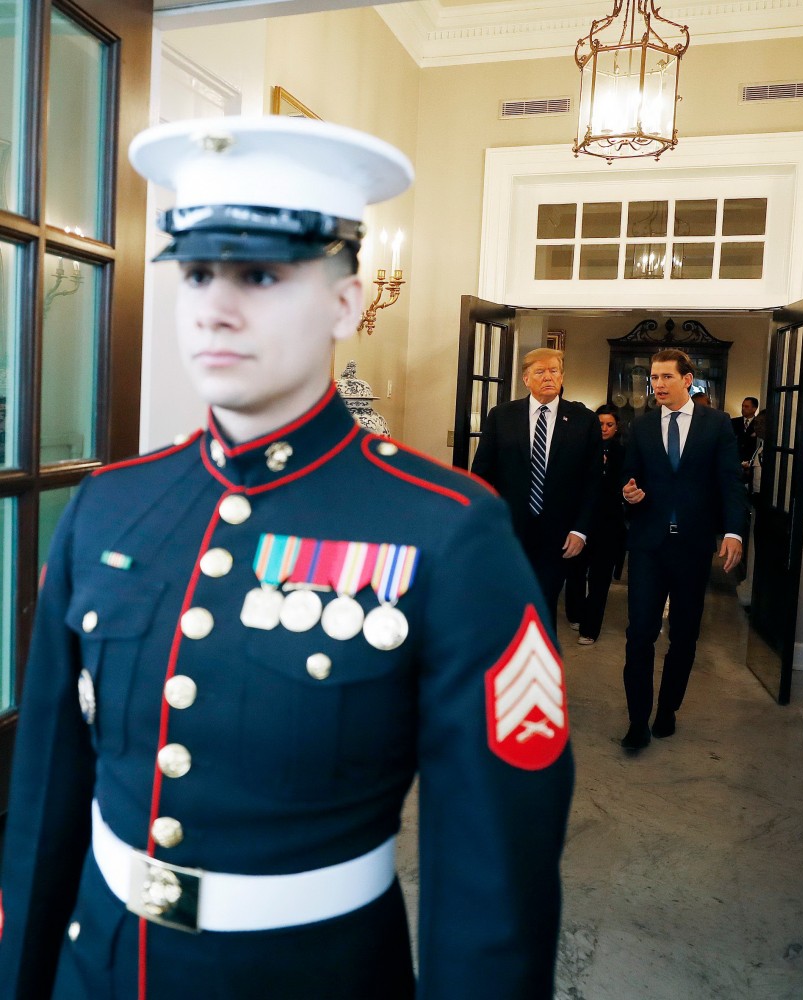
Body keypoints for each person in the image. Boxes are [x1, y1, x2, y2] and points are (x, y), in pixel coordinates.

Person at [0, 116, 574, 999]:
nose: (215, 308)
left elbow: (496, 883)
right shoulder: (110, 507)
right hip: (100, 963)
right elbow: (44, 795)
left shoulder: (448, 530)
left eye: (261, 275)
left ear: (346, 302)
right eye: (196, 273)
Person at [620, 348, 748, 751]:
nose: (657, 385)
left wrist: (734, 533)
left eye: (665, 378)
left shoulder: (717, 425)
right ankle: (637, 721)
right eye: (653, 378)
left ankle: (667, 710)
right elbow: (628, 478)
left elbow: (730, 482)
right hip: (647, 545)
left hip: (692, 547)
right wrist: (629, 493)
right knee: (639, 635)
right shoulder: (640, 427)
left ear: (687, 379)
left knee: (684, 636)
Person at [471, 348, 601, 624]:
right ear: (526, 379)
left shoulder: (583, 421)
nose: (548, 377)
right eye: (540, 372)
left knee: (543, 604)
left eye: (554, 371)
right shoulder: (502, 416)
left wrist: (581, 530)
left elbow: (592, 481)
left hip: (559, 534)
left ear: (562, 376)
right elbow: (482, 475)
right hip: (510, 531)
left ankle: (538, 664)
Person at [566, 405, 627, 646]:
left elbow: (623, 486)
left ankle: (591, 629)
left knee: (600, 579)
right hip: (581, 522)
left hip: (609, 524)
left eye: (609, 424)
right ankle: (575, 614)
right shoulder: (580, 450)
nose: (604, 429)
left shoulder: (623, 453)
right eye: (600, 424)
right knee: (575, 572)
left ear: (616, 427)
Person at [731, 396, 760, 466]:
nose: (743, 408)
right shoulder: (733, 422)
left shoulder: (758, 424)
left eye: (746, 406)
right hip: (734, 461)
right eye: (742, 406)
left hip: (750, 463)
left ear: (754, 409)